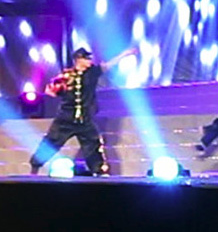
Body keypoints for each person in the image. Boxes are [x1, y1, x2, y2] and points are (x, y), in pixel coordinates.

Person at [30, 46, 137, 175]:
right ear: (78, 60)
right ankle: (35, 168)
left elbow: (107, 66)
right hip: (65, 119)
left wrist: (124, 54)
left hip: (84, 120)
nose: (89, 61)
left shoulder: (92, 73)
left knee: (93, 144)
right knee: (51, 141)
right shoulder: (66, 75)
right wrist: (56, 90)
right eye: (86, 59)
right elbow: (51, 91)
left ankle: (99, 172)